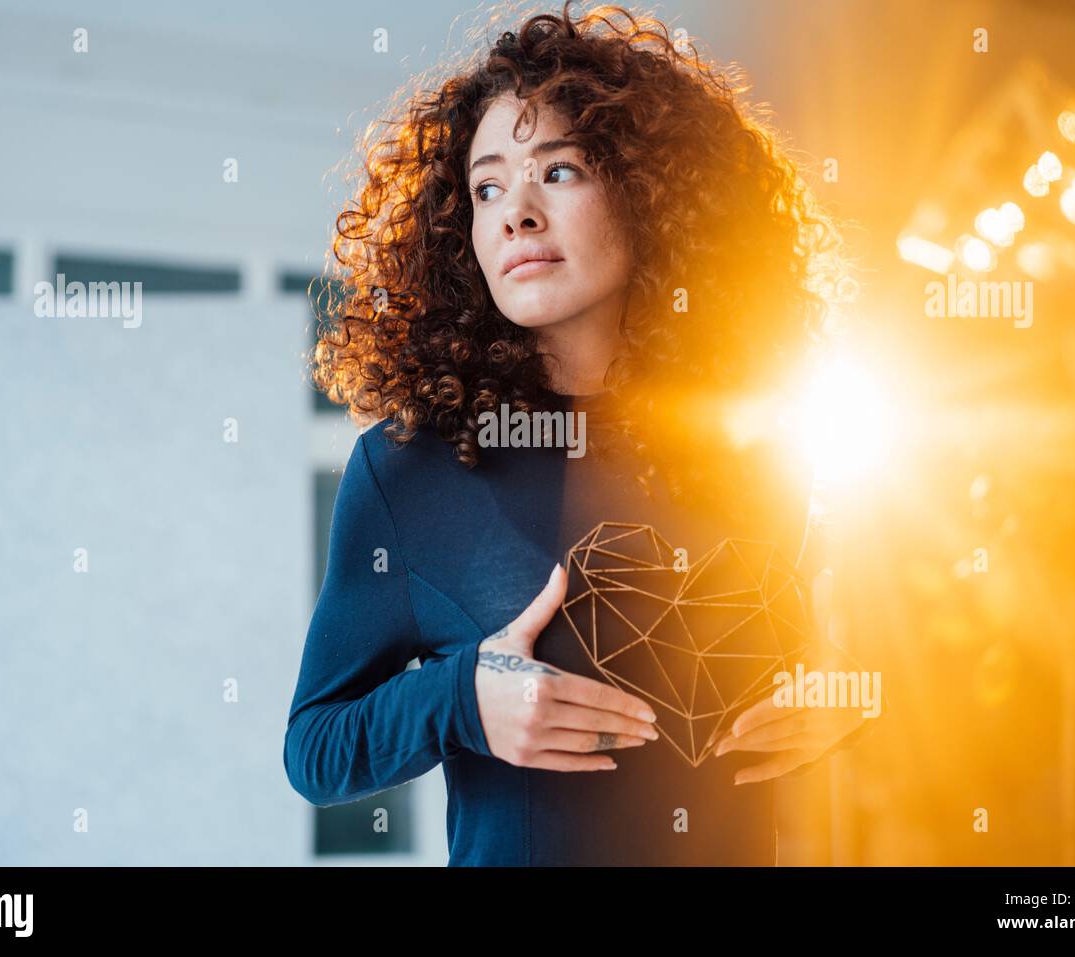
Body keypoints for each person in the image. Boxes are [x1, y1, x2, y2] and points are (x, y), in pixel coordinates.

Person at [284, 3, 877, 865]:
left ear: (652, 194)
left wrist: (848, 696)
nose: (515, 213)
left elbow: (832, 660)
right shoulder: (410, 469)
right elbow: (316, 751)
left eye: (557, 172)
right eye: (487, 188)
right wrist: (460, 702)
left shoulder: (760, 445)